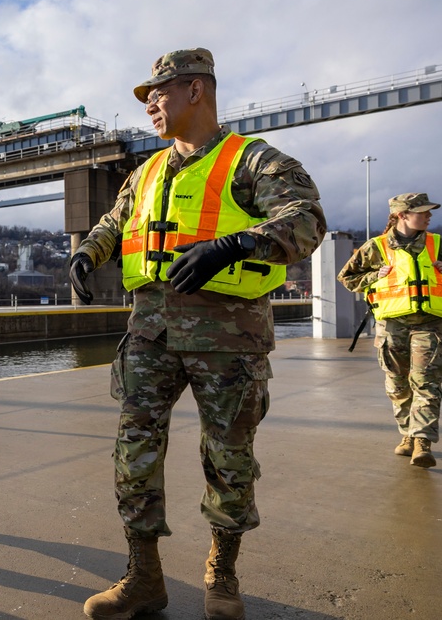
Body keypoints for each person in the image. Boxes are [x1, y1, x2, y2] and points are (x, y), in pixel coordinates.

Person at [69, 49, 326, 620]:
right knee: (132, 455)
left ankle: (223, 574)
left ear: (196, 91)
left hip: (227, 337)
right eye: (147, 98)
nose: (150, 105)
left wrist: (237, 243)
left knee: (229, 458)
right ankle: (143, 578)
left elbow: (306, 220)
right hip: (150, 333)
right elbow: (115, 221)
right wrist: (89, 252)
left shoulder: (254, 161)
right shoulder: (146, 171)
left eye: (158, 93)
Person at [337, 192, 442, 468]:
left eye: (430, 211)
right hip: (391, 326)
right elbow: (346, 278)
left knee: (427, 384)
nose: (429, 215)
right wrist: (374, 276)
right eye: (422, 211)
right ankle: (407, 434)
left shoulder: (438, 245)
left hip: (429, 324)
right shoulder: (377, 247)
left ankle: (422, 442)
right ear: (402, 215)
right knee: (397, 385)